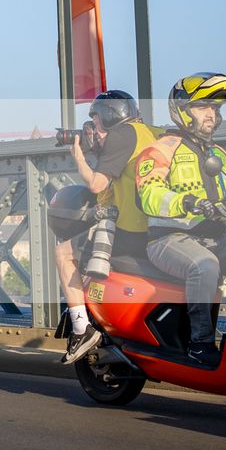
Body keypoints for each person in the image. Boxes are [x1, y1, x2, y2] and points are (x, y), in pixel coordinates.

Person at [137, 73, 226, 367]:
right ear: (183, 111)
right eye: (203, 108)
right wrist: (186, 202)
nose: (211, 115)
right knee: (205, 266)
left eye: (215, 109)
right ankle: (200, 344)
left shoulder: (219, 154)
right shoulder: (162, 149)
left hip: (215, 237)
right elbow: (148, 193)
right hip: (169, 239)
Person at [56, 90, 161, 364]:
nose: (95, 127)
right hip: (161, 228)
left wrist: (79, 156)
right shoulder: (152, 132)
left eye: (97, 119)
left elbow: (96, 185)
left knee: (64, 252)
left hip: (132, 231)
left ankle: (82, 328)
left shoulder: (121, 135)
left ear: (111, 115)